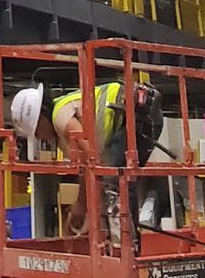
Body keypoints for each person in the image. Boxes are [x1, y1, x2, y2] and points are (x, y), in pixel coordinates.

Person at [9, 77, 168, 231]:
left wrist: (82, 206)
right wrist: (86, 208)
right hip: (141, 115)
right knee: (117, 181)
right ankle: (121, 241)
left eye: (36, 132)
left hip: (139, 112)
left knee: (113, 181)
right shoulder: (61, 131)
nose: (39, 137)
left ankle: (124, 245)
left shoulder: (60, 118)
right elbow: (88, 168)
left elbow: (92, 159)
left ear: (41, 118)